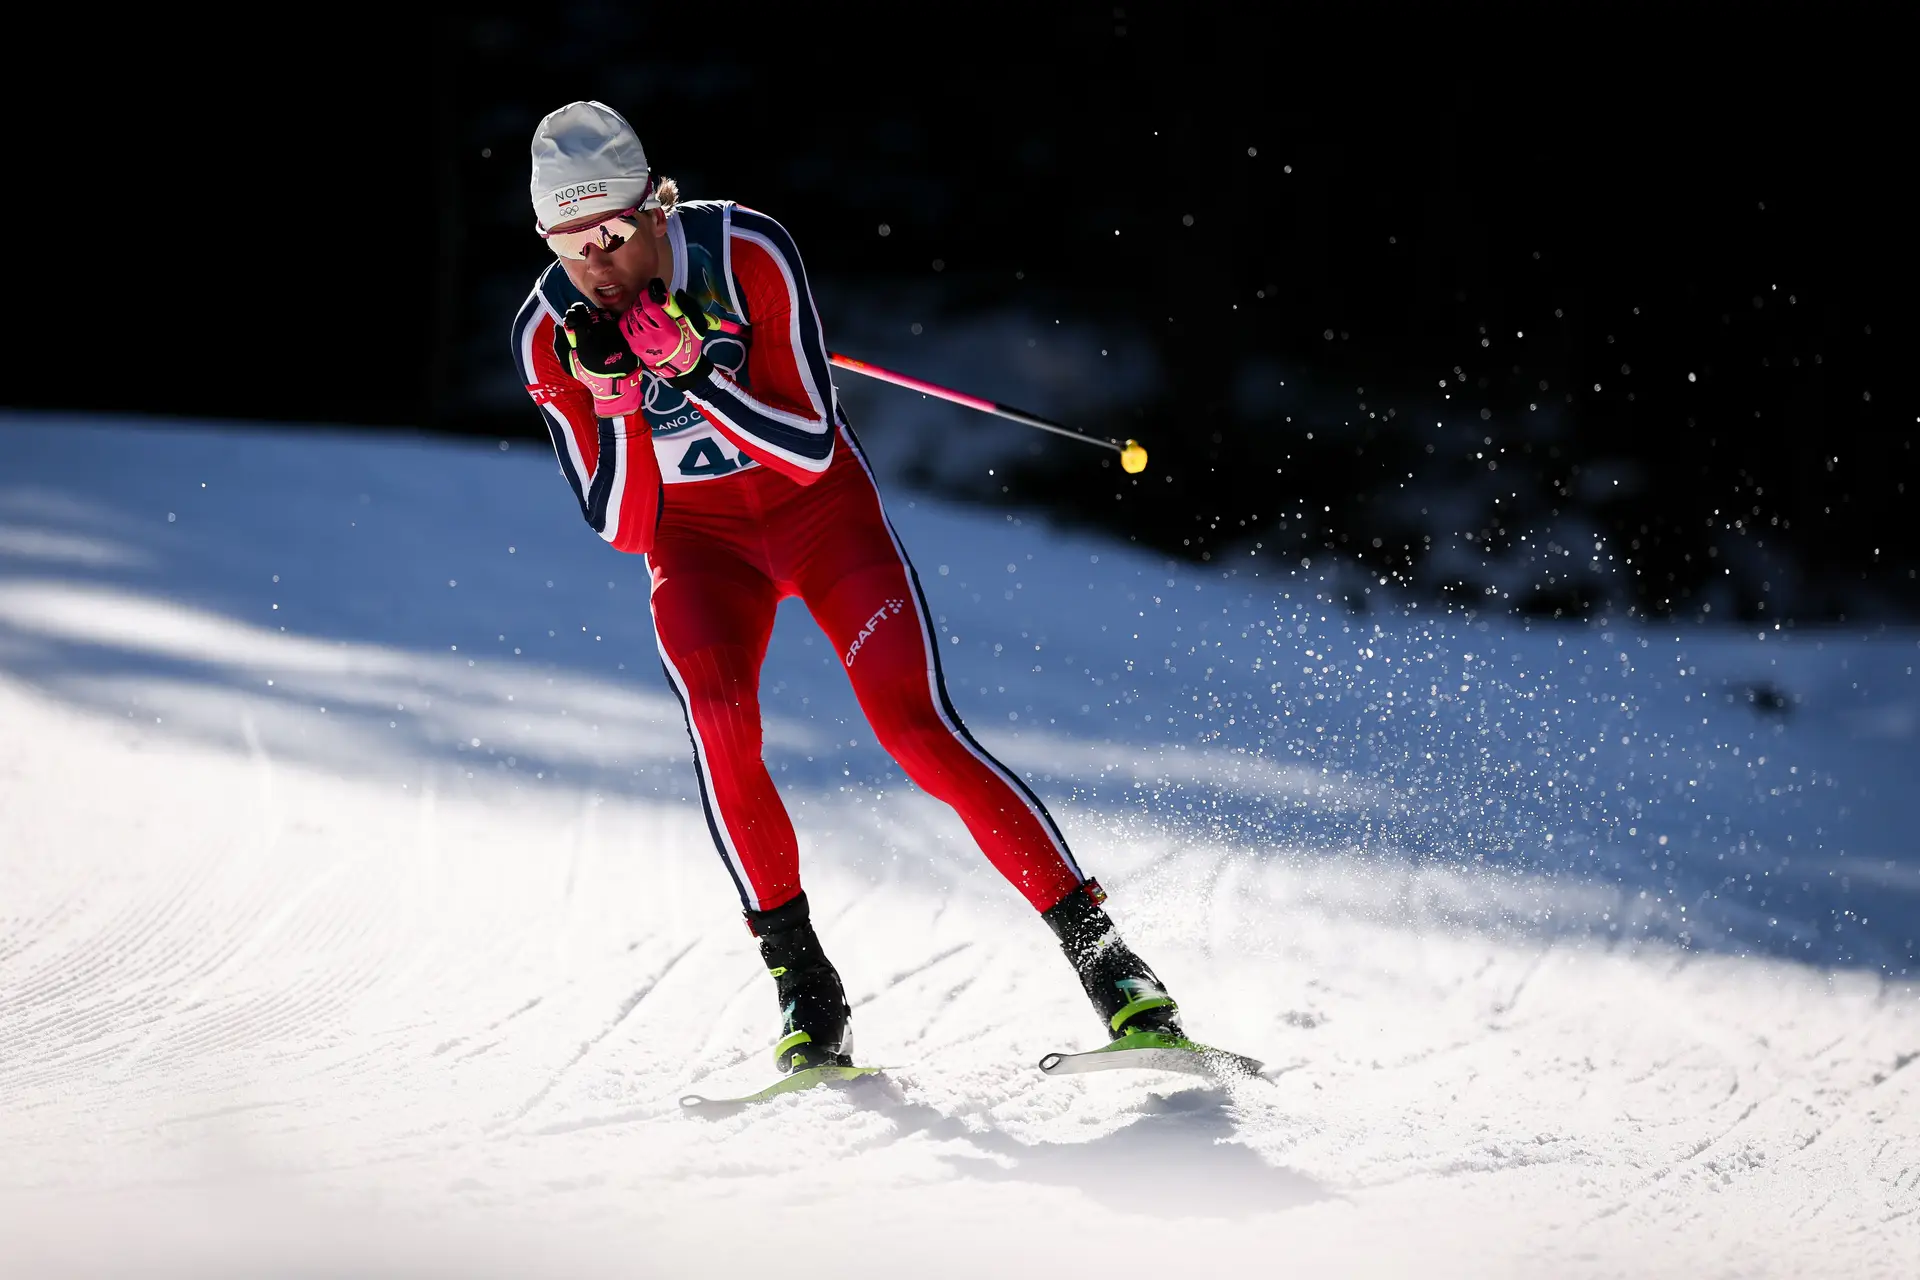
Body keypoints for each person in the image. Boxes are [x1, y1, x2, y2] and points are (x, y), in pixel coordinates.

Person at [510, 100, 1182, 1075]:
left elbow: (808, 448)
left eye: (611, 234)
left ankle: (1111, 965)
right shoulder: (548, 333)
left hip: (821, 520)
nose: (598, 267)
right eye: (570, 247)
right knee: (720, 728)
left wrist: (693, 369)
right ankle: (807, 992)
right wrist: (615, 403)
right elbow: (623, 527)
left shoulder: (744, 250)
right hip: (701, 547)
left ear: (656, 207)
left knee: (914, 728)